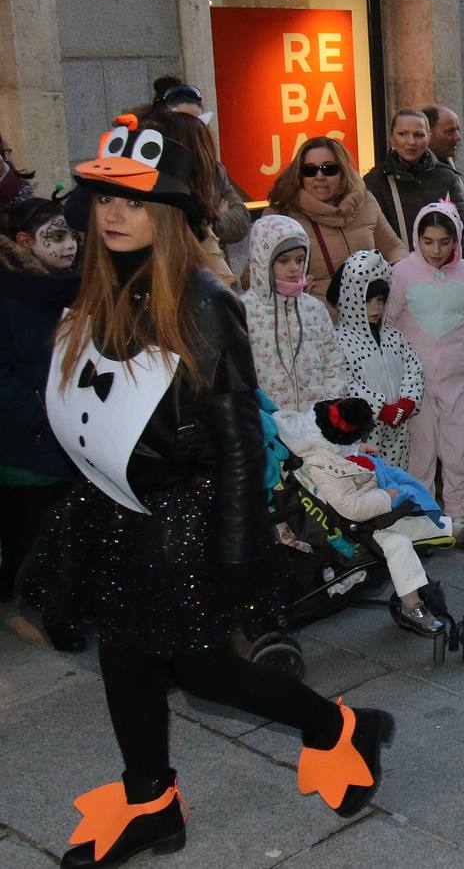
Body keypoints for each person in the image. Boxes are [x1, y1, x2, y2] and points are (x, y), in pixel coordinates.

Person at [26, 125, 392, 868]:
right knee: (124, 660)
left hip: (183, 523)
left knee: (204, 671)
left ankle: (336, 730)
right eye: (104, 198)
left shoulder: (202, 302)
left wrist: (237, 555)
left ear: (167, 212)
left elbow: (237, 442)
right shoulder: (97, 289)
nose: (114, 214)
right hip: (116, 510)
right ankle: (149, 801)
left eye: (135, 200)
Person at [273, 397, 449, 636]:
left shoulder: (310, 437)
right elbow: (352, 508)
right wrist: (387, 496)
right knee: (399, 541)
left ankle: (454, 529)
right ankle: (412, 606)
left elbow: (331, 451)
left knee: (404, 528)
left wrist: (356, 451)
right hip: (349, 531)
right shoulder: (321, 466)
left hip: (353, 519)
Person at [387, 202, 464, 547]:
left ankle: (458, 517)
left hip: (456, 379)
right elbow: (390, 320)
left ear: (456, 240)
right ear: (417, 237)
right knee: (420, 452)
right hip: (414, 382)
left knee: (456, 448)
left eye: (444, 241)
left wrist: (456, 349)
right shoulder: (402, 273)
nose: (436, 250)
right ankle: (426, 521)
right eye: (429, 241)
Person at [0, 199, 79, 606]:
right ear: (25, 242)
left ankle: (66, 598)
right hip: (27, 439)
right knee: (32, 527)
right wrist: (36, 415)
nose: (69, 245)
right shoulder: (8, 294)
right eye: (56, 236)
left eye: (71, 235)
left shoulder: (78, 286)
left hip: (77, 429)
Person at [264, 136, 407, 310]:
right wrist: (286, 285)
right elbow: (252, 275)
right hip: (316, 322)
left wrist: (396, 272)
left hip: (370, 317)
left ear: (343, 172)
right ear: (299, 175)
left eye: (329, 169)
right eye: (309, 170)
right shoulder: (281, 214)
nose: (319, 176)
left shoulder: (364, 201)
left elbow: (393, 247)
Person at [238, 214, 347, 413]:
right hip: (270, 430)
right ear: (263, 260)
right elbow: (239, 379)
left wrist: (330, 413)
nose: (294, 268)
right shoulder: (243, 312)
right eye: (283, 261)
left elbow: (334, 364)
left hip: (317, 427)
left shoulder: (315, 309)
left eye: (300, 260)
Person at [333, 250, 423, 469]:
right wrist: (379, 408)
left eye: (381, 300)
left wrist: (407, 401)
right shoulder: (339, 341)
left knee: (397, 477)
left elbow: (414, 367)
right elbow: (343, 383)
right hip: (363, 432)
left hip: (399, 427)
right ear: (351, 299)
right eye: (367, 300)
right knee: (368, 481)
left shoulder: (392, 335)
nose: (376, 307)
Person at [141, 110, 247, 287]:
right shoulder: (165, 207)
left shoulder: (215, 175)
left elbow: (241, 217)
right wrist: (212, 219)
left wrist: (212, 221)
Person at [363, 109, 464, 259]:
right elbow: (374, 236)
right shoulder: (375, 181)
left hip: (443, 273)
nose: (411, 142)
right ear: (391, 137)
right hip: (398, 272)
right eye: (402, 134)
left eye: (418, 135)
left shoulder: (448, 178)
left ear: (429, 137)